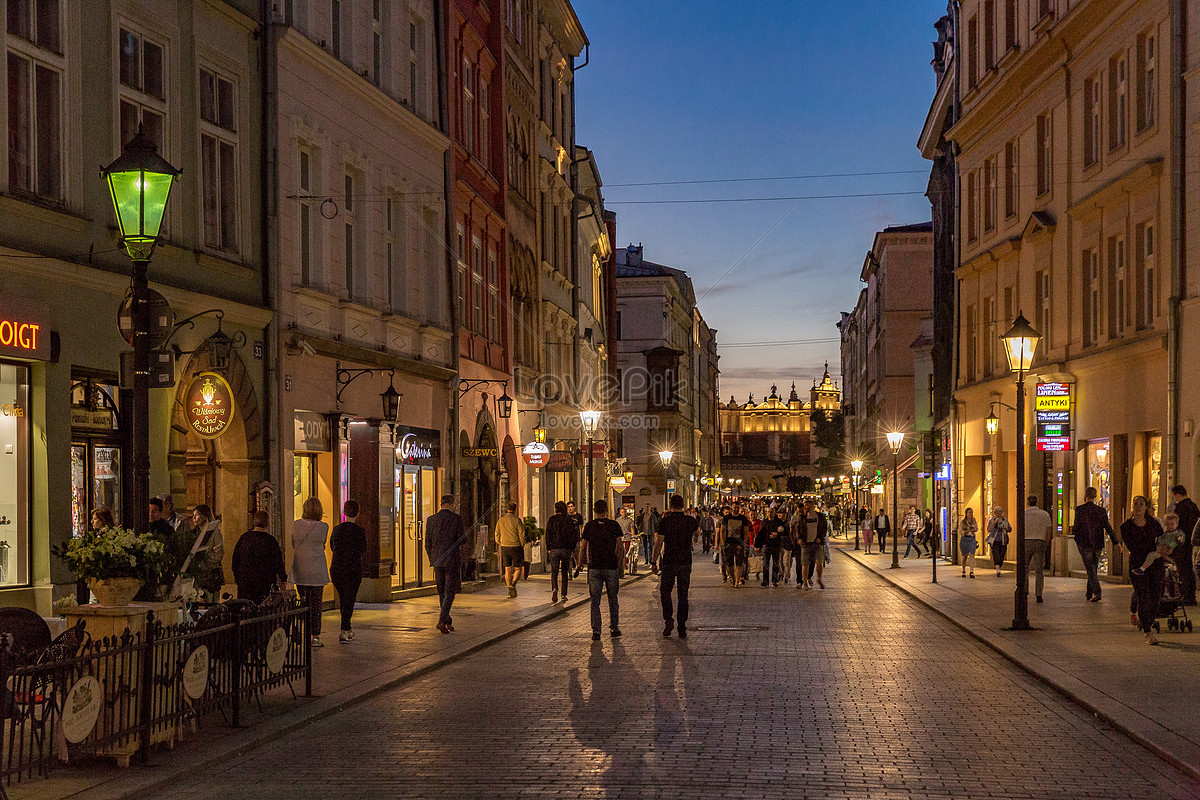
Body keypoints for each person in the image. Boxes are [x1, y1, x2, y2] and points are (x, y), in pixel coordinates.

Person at [1121, 495, 1165, 645]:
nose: (1138, 506)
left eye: (1141, 504)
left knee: (1155, 597)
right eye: (1135, 504)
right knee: (1144, 596)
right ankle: (1148, 631)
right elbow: (1132, 546)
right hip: (1138, 566)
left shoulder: (1154, 524)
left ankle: (1149, 621)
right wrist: (1151, 549)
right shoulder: (1126, 527)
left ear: (1146, 507)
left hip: (1156, 565)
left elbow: (1162, 540)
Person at [654, 494, 698, 638]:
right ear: (683, 506)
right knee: (683, 595)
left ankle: (668, 619)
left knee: (665, 592)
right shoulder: (690, 521)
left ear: (671, 506)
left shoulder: (665, 522)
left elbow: (659, 542)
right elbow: (697, 533)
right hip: (685, 561)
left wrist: (653, 561)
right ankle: (682, 626)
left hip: (669, 561)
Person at [290, 497, 330, 647]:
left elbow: (293, 543)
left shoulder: (296, 525)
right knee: (316, 605)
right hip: (318, 570)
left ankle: (303, 631)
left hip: (301, 569)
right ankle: (316, 636)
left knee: (303, 602)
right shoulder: (324, 527)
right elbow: (323, 543)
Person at [581, 499, 623, 640]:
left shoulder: (589, 526)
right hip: (611, 566)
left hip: (594, 567)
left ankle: (596, 631)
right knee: (613, 599)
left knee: (595, 600)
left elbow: (583, 546)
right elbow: (619, 546)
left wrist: (581, 562)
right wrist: (618, 561)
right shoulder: (614, 525)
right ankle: (614, 628)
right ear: (607, 510)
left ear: (594, 511)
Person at [425, 494, 465, 634]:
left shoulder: (431, 520)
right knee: (450, 591)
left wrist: (432, 557)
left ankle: (446, 621)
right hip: (452, 560)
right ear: (452, 504)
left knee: (441, 590)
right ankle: (442, 619)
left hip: (437, 560)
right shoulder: (456, 519)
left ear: (441, 504)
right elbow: (462, 539)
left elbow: (427, 543)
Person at [329, 500, 367, 643]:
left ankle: (348, 628)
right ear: (357, 513)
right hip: (353, 569)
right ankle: (344, 630)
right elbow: (363, 549)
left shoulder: (337, 529)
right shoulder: (359, 531)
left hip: (337, 568)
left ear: (344, 512)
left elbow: (332, 546)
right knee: (349, 600)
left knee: (343, 598)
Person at [232, 510, 286, 604]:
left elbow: (235, 560)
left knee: (246, 609)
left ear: (254, 521)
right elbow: (278, 562)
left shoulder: (244, 538)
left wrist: (238, 577)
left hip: (246, 582)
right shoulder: (270, 541)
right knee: (262, 609)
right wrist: (283, 578)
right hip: (264, 582)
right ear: (267, 523)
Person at [1073, 486, 1115, 602]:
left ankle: (1097, 592)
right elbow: (1107, 526)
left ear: (1085, 496)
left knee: (1090, 569)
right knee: (1093, 568)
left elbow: (1076, 527)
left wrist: (1077, 540)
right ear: (1095, 496)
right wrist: (1115, 540)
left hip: (1084, 543)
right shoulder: (1101, 511)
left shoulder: (1079, 509)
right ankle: (1088, 592)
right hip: (1097, 543)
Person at [185, 504, 224, 599]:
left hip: (210, 574)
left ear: (205, 516)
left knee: (210, 601)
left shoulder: (215, 532)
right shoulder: (194, 533)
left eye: (197, 515)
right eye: (193, 515)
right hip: (197, 575)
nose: (193, 518)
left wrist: (204, 561)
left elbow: (218, 553)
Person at [1169, 486, 1199, 604]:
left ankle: (1186, 595)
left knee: (1183, 569)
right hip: (1192, 542)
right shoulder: (1193, 506)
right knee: (1189, 569)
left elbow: (1177, 526)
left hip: (1182, 543)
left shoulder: (1180, 508)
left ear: (1177, 495)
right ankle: (1191, 595)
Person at [545, 501, 580, 603]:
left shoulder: (552, 519)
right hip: (566, 549)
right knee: (564, 571)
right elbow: (574, 536)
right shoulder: (569, 520)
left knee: (554, 571)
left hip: (554, 548)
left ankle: (554, 588)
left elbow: (548, 533)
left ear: (556, 509)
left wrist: (548, 547)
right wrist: (572, 548)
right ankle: (563, 594)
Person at [1132, 512, 1184, 576]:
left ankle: (1177, 571)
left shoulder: (1177, 532)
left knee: (1176, 560)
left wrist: (1180, 539)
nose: (1169, 526)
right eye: (1167, 524)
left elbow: (1180, 536)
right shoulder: (1165, 533)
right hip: (1161, 550)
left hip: (1171, 550)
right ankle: (1142, 569)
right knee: (1151, 555)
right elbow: (1159, 539)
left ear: (1177, 524)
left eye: (1172, 524)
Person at [1023, 495, 1053, 603]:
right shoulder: (1044, 514)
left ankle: (1025, 590)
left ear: (1027, 502)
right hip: (1040, 541)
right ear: (1037, 502)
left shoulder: (1024, 514)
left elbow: (1020, 530)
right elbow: (1049, 530)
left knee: (1025, 568)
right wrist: (1046, 543)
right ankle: (1039, 594)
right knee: (1039, 570)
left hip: (1026, 541)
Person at [793, 499, 829, 589]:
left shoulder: (820, 516)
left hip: (817, 543)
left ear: (812, 505)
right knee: (805, 564)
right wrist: (799, 539)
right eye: (804, 505)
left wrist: (820, 538)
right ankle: (805, 583)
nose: (805, 506)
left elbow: (824, 528)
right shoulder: (802, 517)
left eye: (807, 505)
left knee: (819, 562)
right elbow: (797, 529)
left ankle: (819, 579)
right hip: (806, 543)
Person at [494, 501, 525, 598]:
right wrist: (522, 544)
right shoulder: (517, 520)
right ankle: (513, 584)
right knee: (518, 568)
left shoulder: (500, 520)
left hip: (504, 546)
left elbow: (497, 534)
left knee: (507, 569)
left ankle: (509, 589)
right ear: (514, 509)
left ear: (506, 509)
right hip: (516, 546)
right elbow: (522, 534)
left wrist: (500, 542)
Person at [720, 502, 752, 588]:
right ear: (732, 508)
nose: (736, 509)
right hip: (728, 543)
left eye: (737, 507)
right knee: (729, 563)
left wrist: (744, 542)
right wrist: (723, 542)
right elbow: (722, 530)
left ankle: (737, 581)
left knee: (739, 563)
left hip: (739, 543)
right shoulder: (726, 518)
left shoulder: (743, 519)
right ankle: (733, 578)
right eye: (734, 507)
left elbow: (746, 531)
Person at [756, 506, 787, 587]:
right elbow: (760, 534)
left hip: (776, 545)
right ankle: (765, 581)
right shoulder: (764, 522)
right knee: (765, 563)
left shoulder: (778, 521)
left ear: (774, 513)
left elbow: (784, 531)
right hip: (766, 545)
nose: (769, 514)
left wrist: (777, 534)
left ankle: (774, 580)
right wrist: (758, 545)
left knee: (775, 564)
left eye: (771, 512)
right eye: (768, 512)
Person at [986, 507, 1011, 577]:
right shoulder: (992, 520)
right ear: (994, 513)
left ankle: (999, 566)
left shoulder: (1005, 520)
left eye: (1000, 512)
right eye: (997, 512)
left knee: (1002, 555)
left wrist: (1006, 528)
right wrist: (993, 524)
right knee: (996, 555)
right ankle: (998, 570)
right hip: (994, 540)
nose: (998, 513)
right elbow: (989, 529)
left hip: (1003, 540)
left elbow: (1010, 529)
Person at [615, 506, 635, 575]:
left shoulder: (630, 520)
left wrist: (632, 537)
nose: (624, 513)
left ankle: (625, 563)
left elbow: (632, 529)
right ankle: (621, 564)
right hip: (620, 538)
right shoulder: (618, 520)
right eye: (622, 512)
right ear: (620, 513)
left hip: (627, 537)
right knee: (620, 551)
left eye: (625, 512)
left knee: (627, 551)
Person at [958, 508, 978, 578]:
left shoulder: (974, 521)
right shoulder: (962, 522)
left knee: (972, 555)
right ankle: (963, 570)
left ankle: (971, 571)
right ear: (966, 513)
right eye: (969, 512)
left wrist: (973, 528)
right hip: (964, 540)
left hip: (972, 539)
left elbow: (976, 529)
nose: (970, 514)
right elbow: (960, 532)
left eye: (971, 512)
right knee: (964, 556)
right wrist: (966, 531)